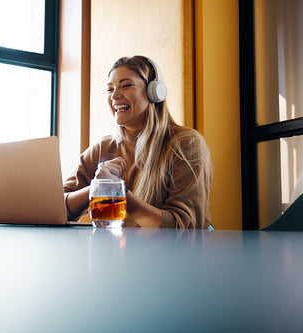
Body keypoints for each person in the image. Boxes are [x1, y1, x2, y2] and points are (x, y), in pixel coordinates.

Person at [63, 56, 212, 228]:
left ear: (154, 92)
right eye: (110, 89)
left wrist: (120, 193)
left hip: (174, 254)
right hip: (120, 251)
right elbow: (57, 208)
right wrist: (97, 187)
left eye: (126, 85)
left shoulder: (186, 144)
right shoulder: (102, 148)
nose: (115, 96)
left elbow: (184, 227)